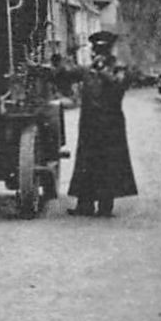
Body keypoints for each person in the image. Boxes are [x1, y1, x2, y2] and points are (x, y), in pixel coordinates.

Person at [66, 30, 138, 217]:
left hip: (110, 125)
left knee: (108, 164)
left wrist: (103, 72)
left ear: (109, 51)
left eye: (102, 50)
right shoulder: (88, 69)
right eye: (96, 50)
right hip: (90, 124)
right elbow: (68, 74)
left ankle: (105, 206)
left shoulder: (118, 68)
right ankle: (85, 204)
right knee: (86, 163)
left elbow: (119, 87)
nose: (98, 54)